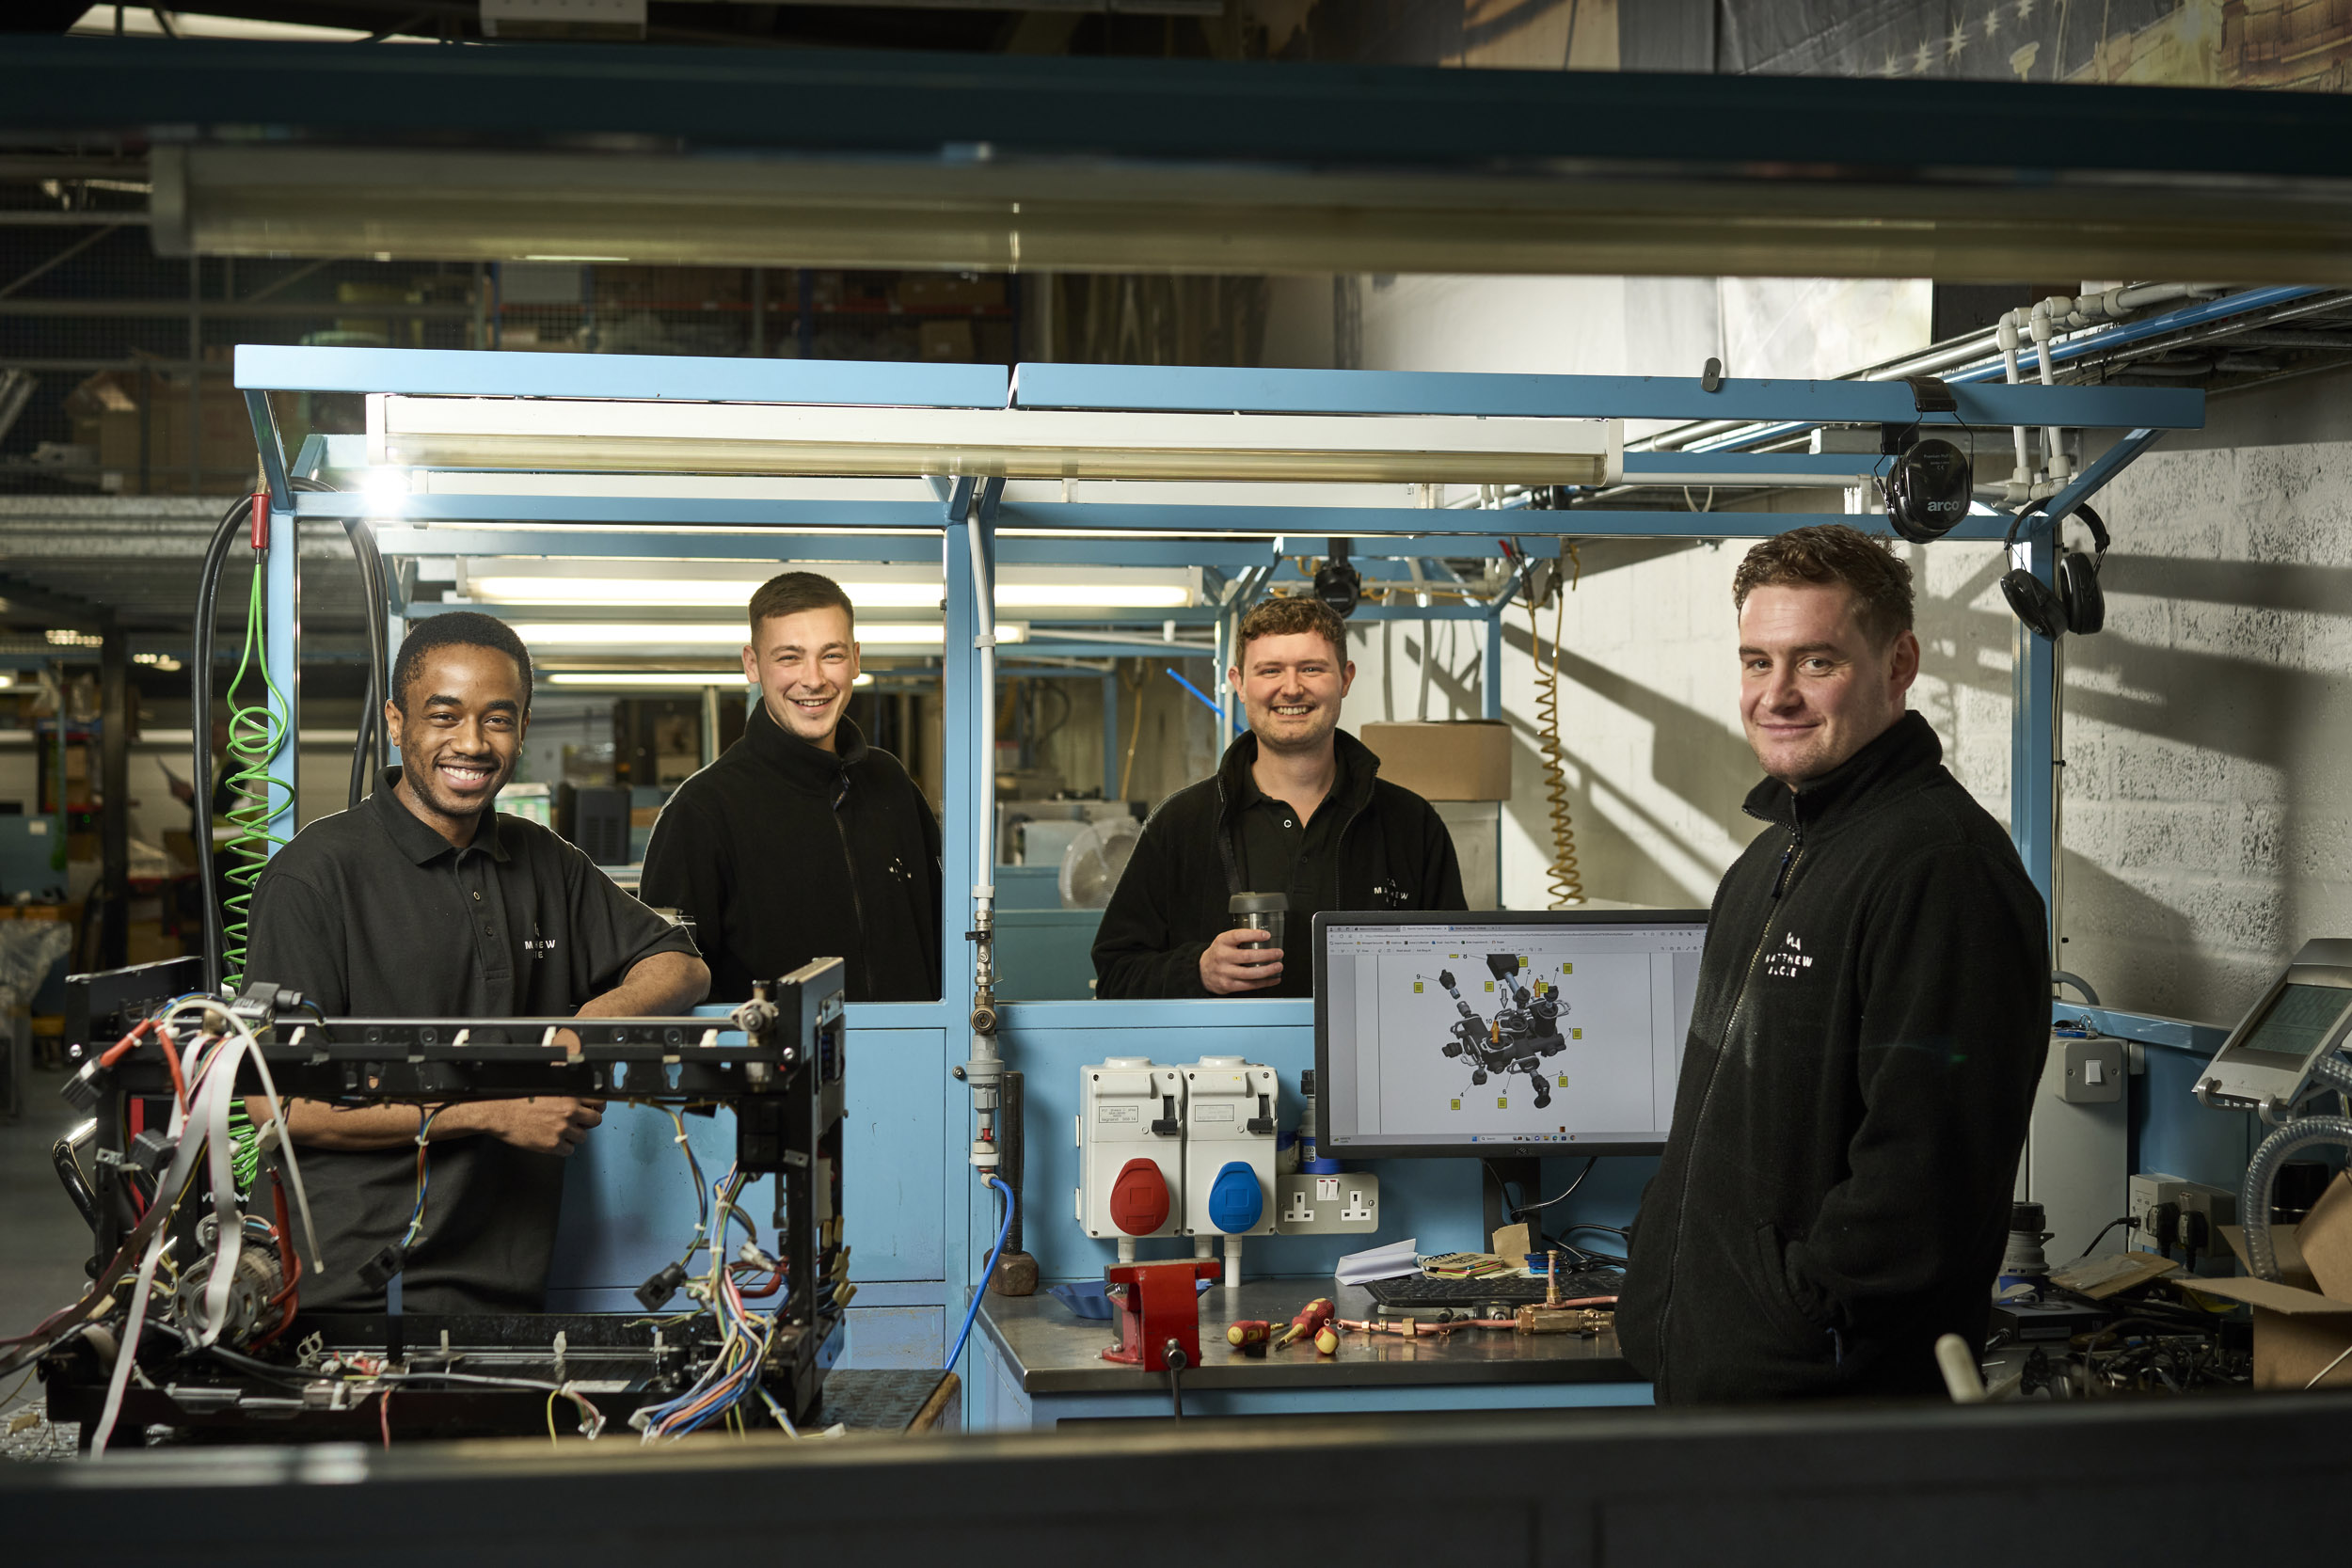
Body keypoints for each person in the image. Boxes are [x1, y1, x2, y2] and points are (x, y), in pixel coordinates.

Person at [1615, 525, 2047, 1403]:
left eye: (1816, 662)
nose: (1776, 694)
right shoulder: (1769, 859)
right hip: (1719, 1380)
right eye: (1755, 661)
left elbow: (1925, 1182)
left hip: (1825, 1405)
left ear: (1899, 663)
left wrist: (1799, 1316)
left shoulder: (1943, 870)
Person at [246, 611, 709, 1313]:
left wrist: (587, 1024)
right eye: (445, 715)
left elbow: (680, 962)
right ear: (398, 724)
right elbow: (280, 1109)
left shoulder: (544, 861)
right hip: (342, 1289)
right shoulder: (315, 877)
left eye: (497, 719)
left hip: (501, 1283)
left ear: (522, 730)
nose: (472, 742)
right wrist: (491, 1111)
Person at [1093, 596, 1466, 1000]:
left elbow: (1456, 966)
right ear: (1238, 683)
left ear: (1345, 677)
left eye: (1311, 668)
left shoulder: (1410, 823)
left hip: (1373, 1061)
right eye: (1270, 670)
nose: (1291, 688)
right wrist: (1197, 970)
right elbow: (1116, 974)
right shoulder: (1180, 824)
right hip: (1227, 1062)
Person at [641, 571, 942, 1003]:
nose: (814, 679)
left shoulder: (890, 785)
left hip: (910, 1056)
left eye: (831, 655)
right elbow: (668, 980)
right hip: (775, 1067)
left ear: (856, 659)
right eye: (789, 657)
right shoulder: (702, 811)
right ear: (752, 664)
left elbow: (939, 938)